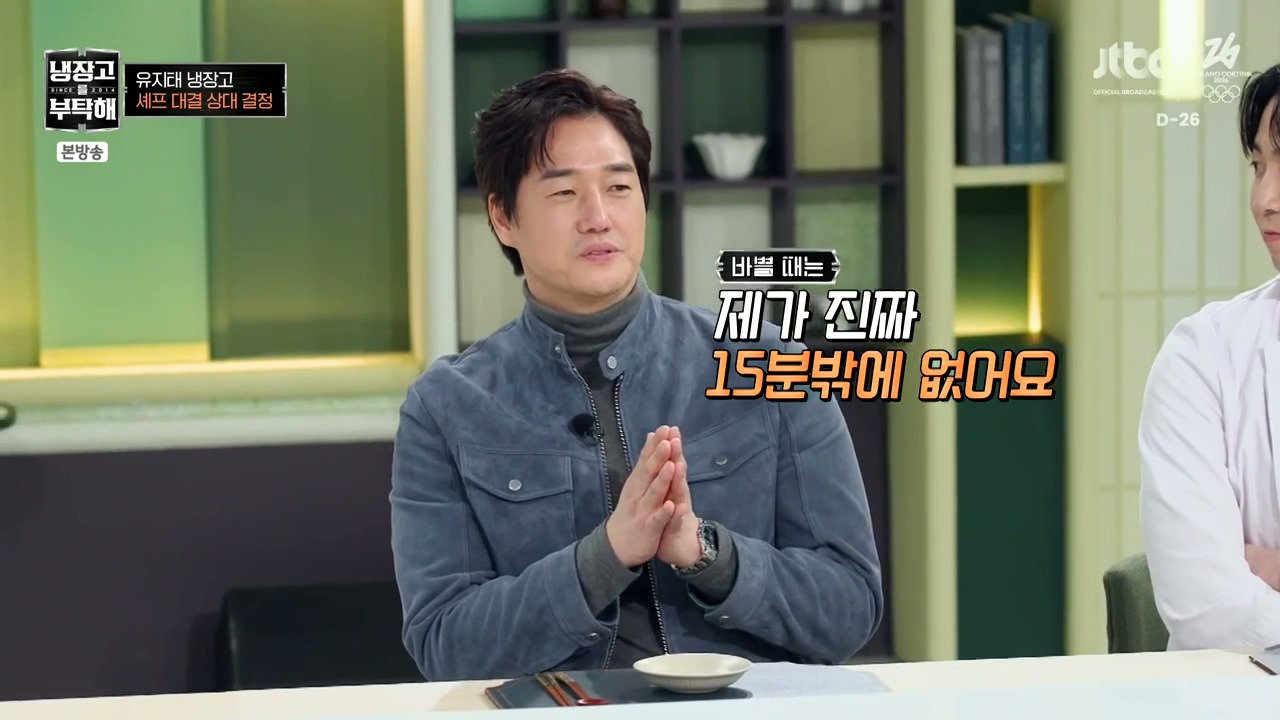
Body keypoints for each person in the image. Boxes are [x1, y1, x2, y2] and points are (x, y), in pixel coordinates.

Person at [389, 68, 884, 682]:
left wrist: (706, 553)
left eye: (619, 187)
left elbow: (850, 607)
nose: (598, 217)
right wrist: (604, 556)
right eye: (564, 193)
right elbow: (446, 645)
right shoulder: (447, 407)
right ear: (503, 217)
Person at [1139, 64, 1280, 650]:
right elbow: (1208, 609)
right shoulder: (1201, 359)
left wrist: (1266, 565)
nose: (1264, 200)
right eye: (1259, 166)